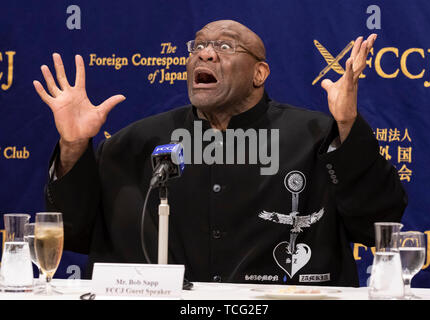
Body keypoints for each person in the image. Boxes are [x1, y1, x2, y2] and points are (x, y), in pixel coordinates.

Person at [33, 20, 407, 286]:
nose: (205, 55)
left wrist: (347, 126)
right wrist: (73, 145)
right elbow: (73, 234)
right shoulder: (134, 143)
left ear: (259, 73)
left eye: (224, 47)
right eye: (197, 47)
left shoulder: (316, 135)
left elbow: (378, 224)